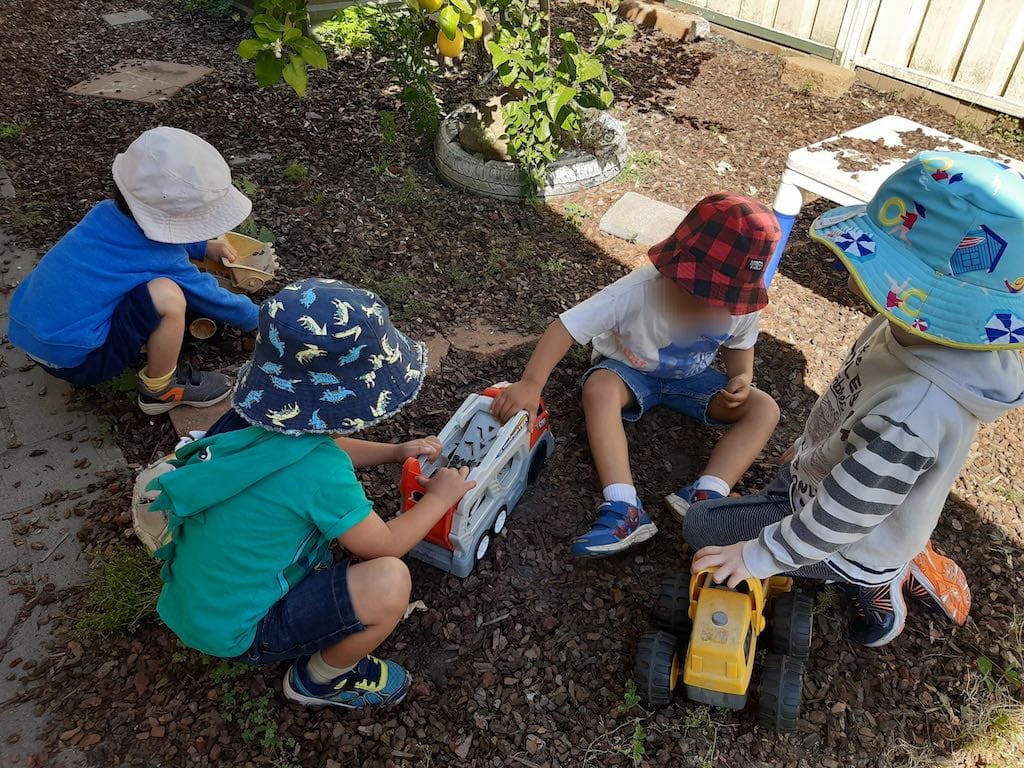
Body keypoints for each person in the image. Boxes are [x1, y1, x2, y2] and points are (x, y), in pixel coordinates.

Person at [685, 151, 1024, 646]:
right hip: (830, 482)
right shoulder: (905, 327)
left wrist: (757, 557)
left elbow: (845, 515)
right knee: (781, 502)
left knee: (701, 527)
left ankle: (879, 577)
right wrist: (809, 447)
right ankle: (899, 546)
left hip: (853, 537)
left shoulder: (916, 410)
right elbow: (852, 405)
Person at [148, 278, 475, 708]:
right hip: (246, 631)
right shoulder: (320, 472)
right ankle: (319, 680)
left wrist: (395, 452)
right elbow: (385, 545)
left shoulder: (244, 426)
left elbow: (317, 447)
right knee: (390, 582)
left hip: (194, 606)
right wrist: (440, 498)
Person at [492, 194, 781, 557]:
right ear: (673, 270)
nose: (707, 310)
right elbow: (566, 327)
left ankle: (707, 494)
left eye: (720, 302)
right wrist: (531, 384)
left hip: (691, 381)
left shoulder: (740, 308)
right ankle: (623, 506)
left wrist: (741, 376)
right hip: (628, 372)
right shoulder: (637, 291)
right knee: (599, 388)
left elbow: (740, 343)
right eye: (696, 296)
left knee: (764, 409)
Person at [7, 126, 259, 414]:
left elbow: (152, 232)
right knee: (167, 296)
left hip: (34, 335)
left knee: (134, 288)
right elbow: (209, 296)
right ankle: (160, 390)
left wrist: (202, 247)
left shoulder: (104, 213)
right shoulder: (162, 258)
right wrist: (257, 318)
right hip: (80, 362)